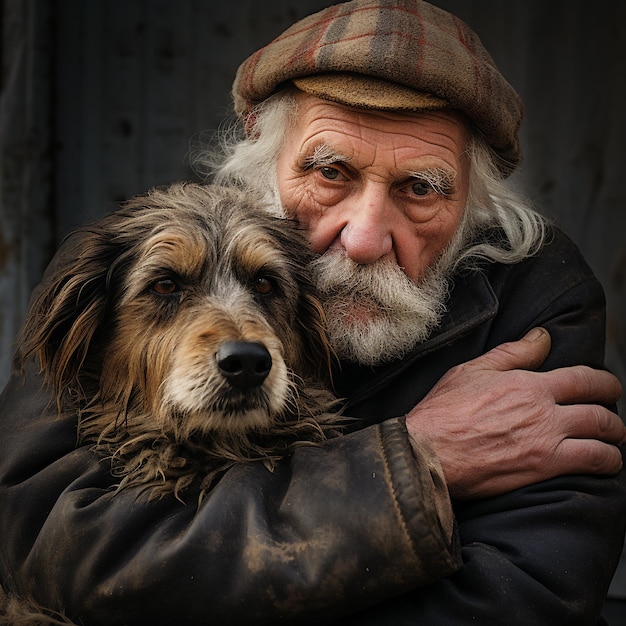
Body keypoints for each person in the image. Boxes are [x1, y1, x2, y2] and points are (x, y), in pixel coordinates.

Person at [0, 0, 624, 624]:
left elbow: (527, 597)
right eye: (331, 171)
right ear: (263, 170)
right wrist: (417, 457)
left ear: (474, 207)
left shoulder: (538, 301)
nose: (363, 238)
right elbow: (58, 549)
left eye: (421, 188)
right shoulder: (118, 261)